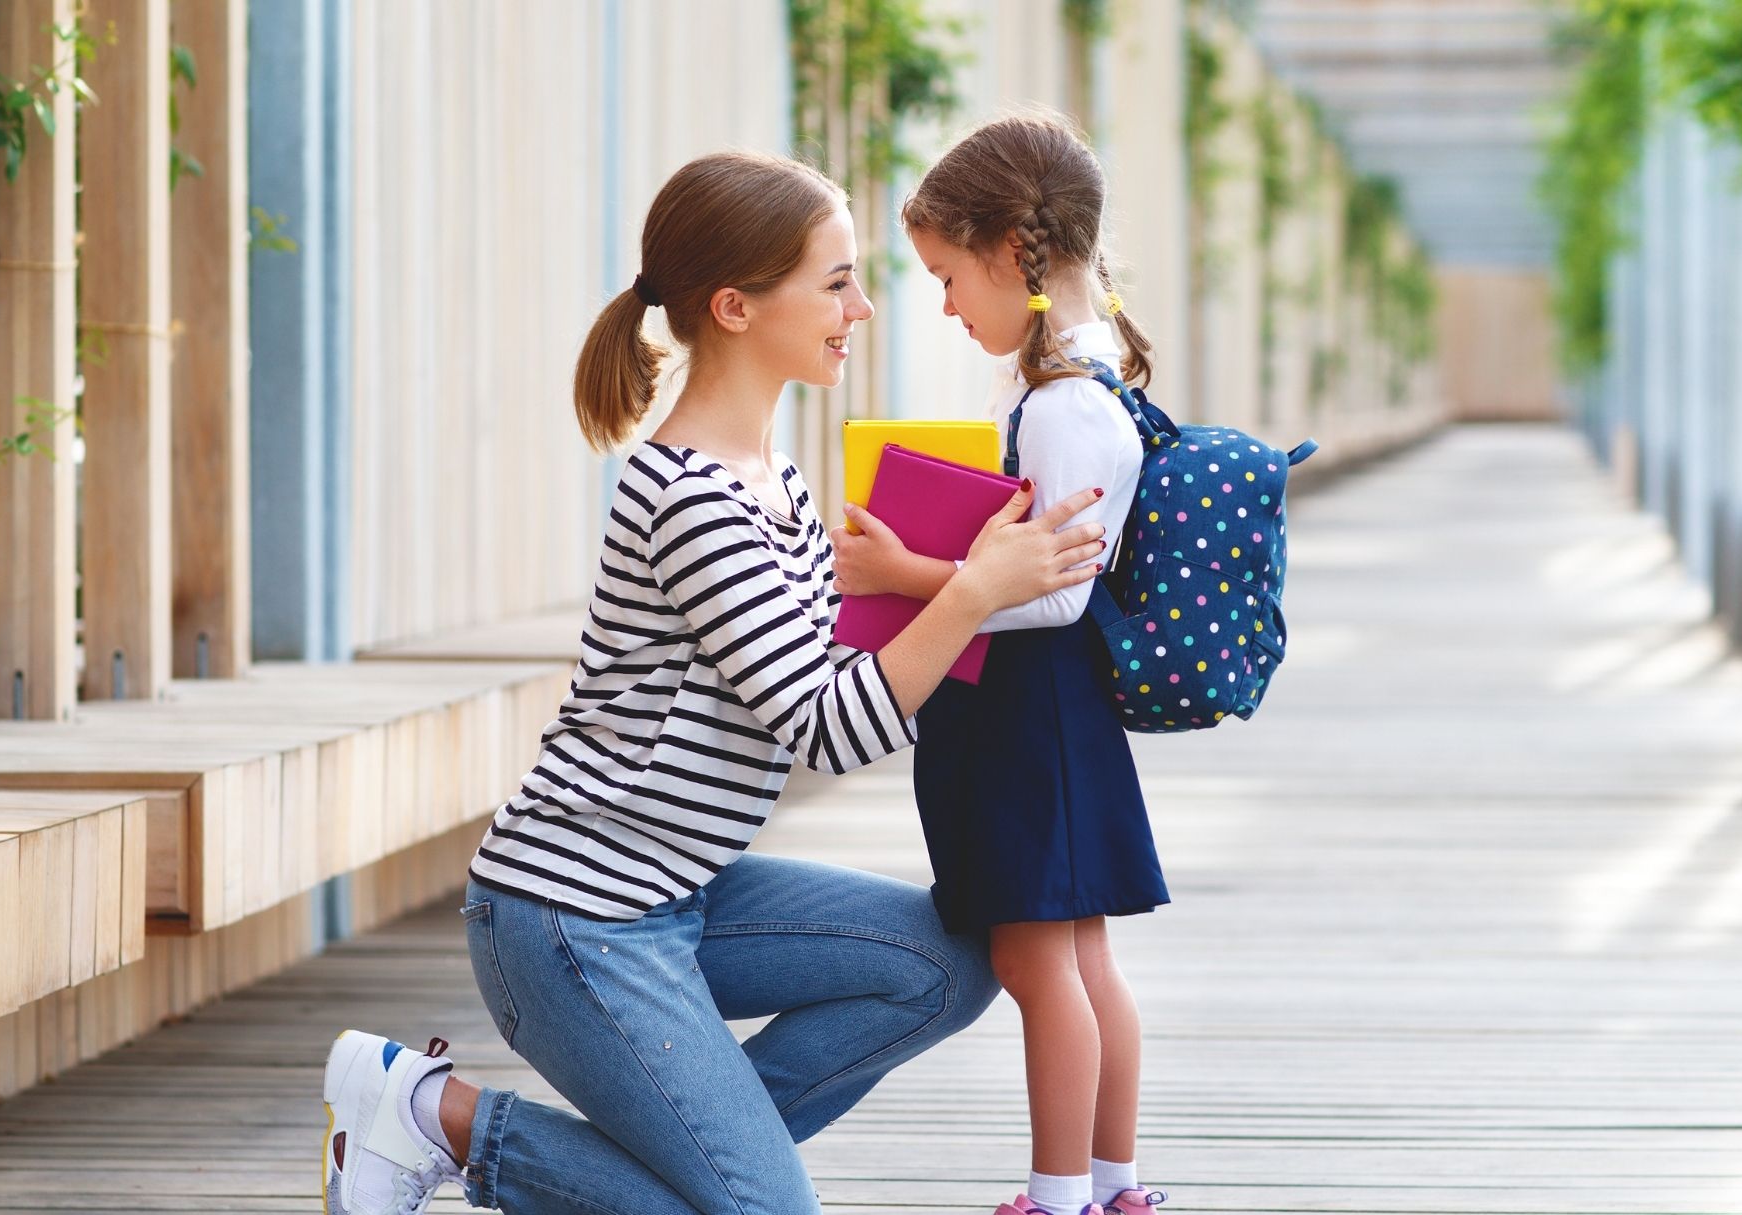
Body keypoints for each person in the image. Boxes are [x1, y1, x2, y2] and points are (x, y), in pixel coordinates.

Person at [319, 150, 1112, 1215]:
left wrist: (968, 608)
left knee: (949, 965)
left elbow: (830, 674)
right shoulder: (691, 499)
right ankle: (428, 1114)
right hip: (571, 916)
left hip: (679, 889)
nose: (863, 308)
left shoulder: (772, 481)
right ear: (735, 306)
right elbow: (829, 726)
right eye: (836, 282)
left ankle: (701, 1163)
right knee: (762, 1211)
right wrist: (969, 594)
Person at [830, 112, 1169, 1215]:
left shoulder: (1068, 403)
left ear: (1010, 250)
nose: (940, 303)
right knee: (1080, 963)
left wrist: (905, 569)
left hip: (1028, 719)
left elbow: (1053, 592)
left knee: (1040, 970)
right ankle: (1110, 1185)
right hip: (1042, 719)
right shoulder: (1072, 381)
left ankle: (1061, 1192)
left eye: (944, 275)